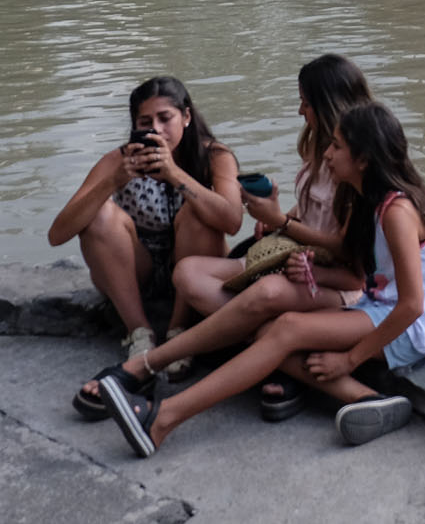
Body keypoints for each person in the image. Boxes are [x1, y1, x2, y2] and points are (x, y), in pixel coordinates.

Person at [96, 101, 425, 457]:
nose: (327, 154)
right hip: (381, 307)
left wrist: (349, 360)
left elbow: (412, 304)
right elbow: (358, 266)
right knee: (268, 332)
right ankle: (367, 399)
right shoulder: (368, 201)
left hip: (414, 325)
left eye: (337, 146)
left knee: (284, 330)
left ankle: (164, 419)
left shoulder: (397, 212)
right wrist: (297, 241)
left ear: (363, 159)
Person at [156, 53, 374, 419]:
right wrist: (279, 217)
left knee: (267, 293)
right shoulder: (316, 147)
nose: (300, 110)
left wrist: (284, 224)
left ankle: (273, 359)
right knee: (188, 273)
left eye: (306, 102)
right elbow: (313, 210)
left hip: (332, 279)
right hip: (290, 258)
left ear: (327, 103)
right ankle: (278, 356)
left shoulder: (355, 163)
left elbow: (348, 248)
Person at [49, 77, 243, 370]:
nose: (157, 129)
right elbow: (57, 234)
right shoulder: (118, 160)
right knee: (100, 214)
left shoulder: (214, 156)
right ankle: (139, 332)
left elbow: (232, 221)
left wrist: (174, 174)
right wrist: (113, 182)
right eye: (145, 121)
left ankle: (180, 330)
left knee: (198, 213)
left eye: (165, 118)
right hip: (137, 269)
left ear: (186, 117)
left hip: (196, 267)